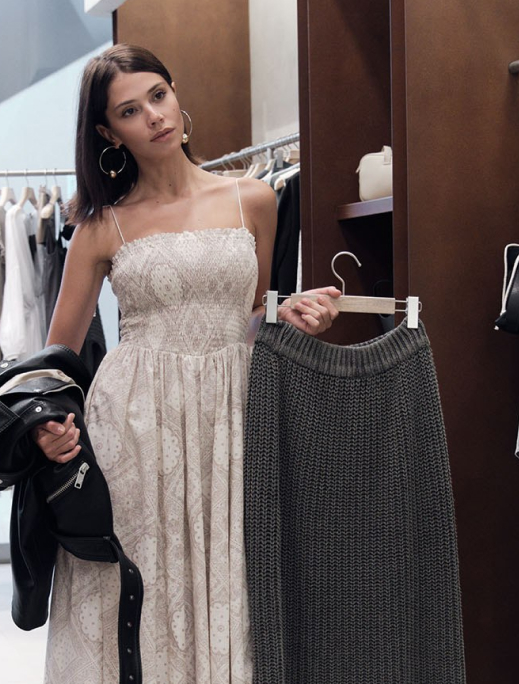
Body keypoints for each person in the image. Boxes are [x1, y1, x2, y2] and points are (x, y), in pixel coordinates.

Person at [33, 44, 341, 683]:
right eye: (129, 110)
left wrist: (287, 315)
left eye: (158, 95)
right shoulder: (101, 226)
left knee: (236, 576)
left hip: (233, 415)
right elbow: (57, 358)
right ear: (107, 133)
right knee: (144, 584)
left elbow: (251, 315)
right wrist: (51, 428)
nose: (153, 116)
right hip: (135, 428)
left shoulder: (254, 198)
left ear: (175, 95)